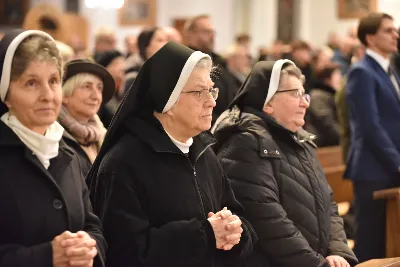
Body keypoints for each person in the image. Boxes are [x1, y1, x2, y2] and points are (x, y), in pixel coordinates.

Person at [87, 42, 257, 267]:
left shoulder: (204, 152)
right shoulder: (123, 163)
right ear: (167, 99)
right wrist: (205, 235)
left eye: (212, 89)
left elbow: (237, 215)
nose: (212, 101)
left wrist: (237, 232)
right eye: (200, 92)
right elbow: (124, 252)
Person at [212, 60, 358, 267]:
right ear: (267, 102)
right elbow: (268, 221)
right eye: (295, 94)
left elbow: (328, 205)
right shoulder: (246, 143)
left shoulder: (301, 141)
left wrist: (338, 252)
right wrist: (316, 263)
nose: (305, 103)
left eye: (304, 94)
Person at [0, 30, 106, 266]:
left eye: (54, 81)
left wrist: (89, 247)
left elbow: (92, 226)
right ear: (7, 94)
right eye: (31, 83)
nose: (47, 95)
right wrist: (47, 257)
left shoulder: (67, 153)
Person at [345, 12, 400, 262]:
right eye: (388, 30)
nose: (396, 34)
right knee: (370, 244)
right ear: (370, 37)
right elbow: (370, 126)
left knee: (391, 241)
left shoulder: (390, 69)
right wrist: (397, 162)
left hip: (389, 167)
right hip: (373, 170)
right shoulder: (362, 72)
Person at [58, 59, 115, 177]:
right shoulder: (54, 137)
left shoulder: (103, 137)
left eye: (99, 88)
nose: (96, 96)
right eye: (87, 87)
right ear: (64, 95)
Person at [306, 63, 342, 147]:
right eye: (337, 76)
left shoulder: (330, 95)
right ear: (327, 79)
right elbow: (327, 124)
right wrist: (343, 138)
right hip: (322, 146)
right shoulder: (317, 96)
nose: (341, 79)